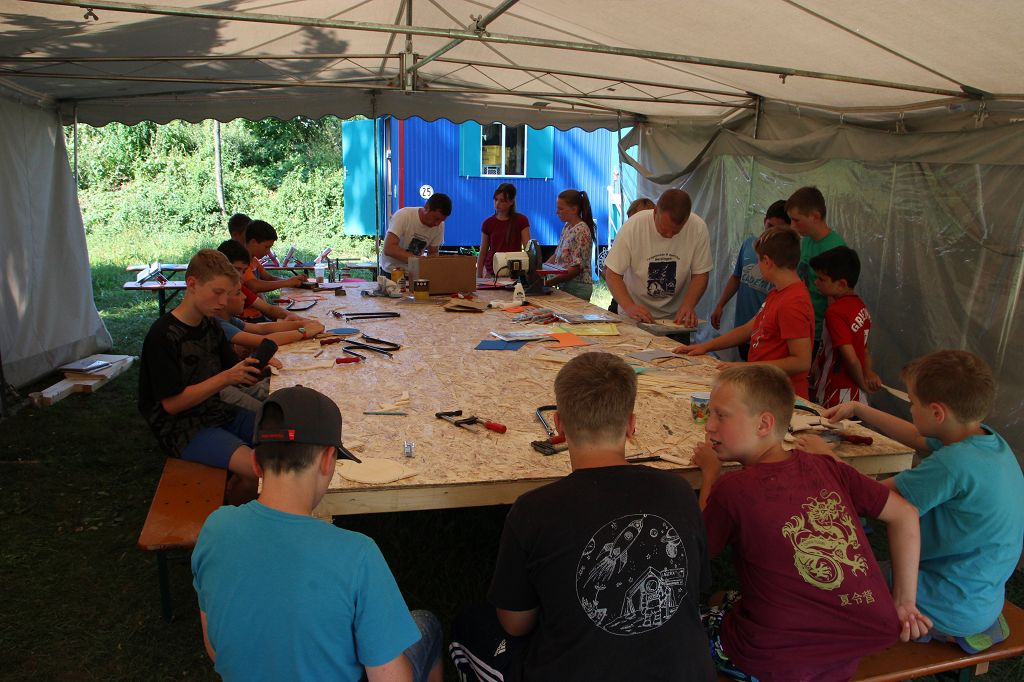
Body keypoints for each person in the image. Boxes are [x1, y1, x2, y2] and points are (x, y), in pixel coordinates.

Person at [449, 352, 715, 682]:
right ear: (631, 425)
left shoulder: (533, 510)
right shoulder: (679, 491)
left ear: (559, 425)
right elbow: (695, 587)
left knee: (469, 623)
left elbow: (515, 624)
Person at [693, 365, 929, 682]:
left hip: (773, 659)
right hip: (851, 646)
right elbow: (906, 514)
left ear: (764, 424)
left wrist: (709, 475)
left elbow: (696, 558)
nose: (709, 426)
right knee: (731, 597)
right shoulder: (827, 466)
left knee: (686, 621)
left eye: (720, 416)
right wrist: (904, 602)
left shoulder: (732, 488)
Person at [192, 385, 443, 682]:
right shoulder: (358, 555)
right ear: (327, 460)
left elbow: (215, 648)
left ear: (256, 463)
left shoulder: (214, 528)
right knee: (427, 623)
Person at [824, 350, 1024, 654]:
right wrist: (858, 409)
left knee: (834, 582)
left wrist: (825, 457)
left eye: (912, 402)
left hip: (949, 603)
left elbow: (870, 498)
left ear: (937, 413)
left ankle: (930, 629)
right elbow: (918, 438)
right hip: (981, 596)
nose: (910, 409)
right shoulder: (987, 441)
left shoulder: (953, 465)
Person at [138, 249, 262, 502]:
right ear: (192, 284)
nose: (223, 302)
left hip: (216, 412)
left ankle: (239, 493)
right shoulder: (163, 335)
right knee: (257, 469)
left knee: (284, 438)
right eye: (217, 292)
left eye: (228, 294)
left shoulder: (210, 325)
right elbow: (172, 405)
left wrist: (259, 365)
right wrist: (226, 378)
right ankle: (234, 513)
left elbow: (234, 370)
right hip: (181, 428)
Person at [674, 227, 814, 398]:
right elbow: (748, 328)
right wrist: (705, 346)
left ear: (767, 262)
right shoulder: (777, 292)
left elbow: (801, 361)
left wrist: (746, 367)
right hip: (764, 386)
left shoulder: (794, 302)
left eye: (758, 261)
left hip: (782, 394)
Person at [604, 188, 712, 328]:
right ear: (655, 212)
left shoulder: (698, 228)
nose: (669, 235)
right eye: (664, 229)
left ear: (687, 219)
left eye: (675, 232)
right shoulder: (633, 226)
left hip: (675, 320)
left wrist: (688, 305)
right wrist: (629, 306)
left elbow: (700, 275)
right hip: (634, 317)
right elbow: (612, 274)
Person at [709, 200, 789, 360]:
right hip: (744, 326)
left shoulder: (786, 260)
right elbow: (736, 277)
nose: (771, 233)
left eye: (778, 230)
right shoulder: (749, 245)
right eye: (770, 226)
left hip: (767, 332)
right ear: (764, 221)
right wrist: (720, 304)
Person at [809, 246, 881, 407]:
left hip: (835, 392)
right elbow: (864, 349)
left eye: (821, 279)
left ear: (841, 284)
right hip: (854, 393)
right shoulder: (861, 307)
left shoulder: (835, 312)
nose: (816, 282)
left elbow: (850, 358)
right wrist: (868, 373)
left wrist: (863, 384)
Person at [786, 186, 846, 352]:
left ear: (815, 216)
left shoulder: (835, 249)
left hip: (818, 333)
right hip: (802, 325)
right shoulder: (807, 239)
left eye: (796, 220)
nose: (792, 226)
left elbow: (836, 300)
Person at [216, 239, 303, 322]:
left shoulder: (241, 288)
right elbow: (255, 287)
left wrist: (298, 319)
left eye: (244, 271)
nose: (241, 276)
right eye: (236, 270)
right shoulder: (217, 313)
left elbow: (269, 309)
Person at [379, 193, 452, 279]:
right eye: (436, 218)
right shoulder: (404, 216)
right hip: (391, 272)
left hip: (414, 273)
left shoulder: (440, 226)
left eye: (442, 220)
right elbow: (389, 248)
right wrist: (418, 260)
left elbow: (433, 253)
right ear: (426, 208)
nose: (437, 224)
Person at [542, 189, 595, 301]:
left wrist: (548, 282)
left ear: (574, 209)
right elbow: (557, 255)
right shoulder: (567, 226)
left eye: (561, 209)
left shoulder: (581, 230)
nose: (557, 212)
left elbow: (576, 269)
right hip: (567, 284)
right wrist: (541, 271)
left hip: (577, 287)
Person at [478, 183, 531, 277]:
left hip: (513, 271)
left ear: (511, 202)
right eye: (496, 199)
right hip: (492, 271)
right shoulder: (487, 223)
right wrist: (478, 277)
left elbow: (528, 249)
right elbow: (483, 252)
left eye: (502, 200)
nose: (497, 203)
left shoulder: (521, 220)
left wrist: (530, 273)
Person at [242, 220, 305, 294]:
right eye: (266, 247)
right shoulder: (241, 261)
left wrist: (293, 281)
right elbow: (254, 286)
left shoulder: (254, 261)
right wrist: (287, 282)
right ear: (253, 242)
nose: (268, 252)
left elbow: (269, 278)